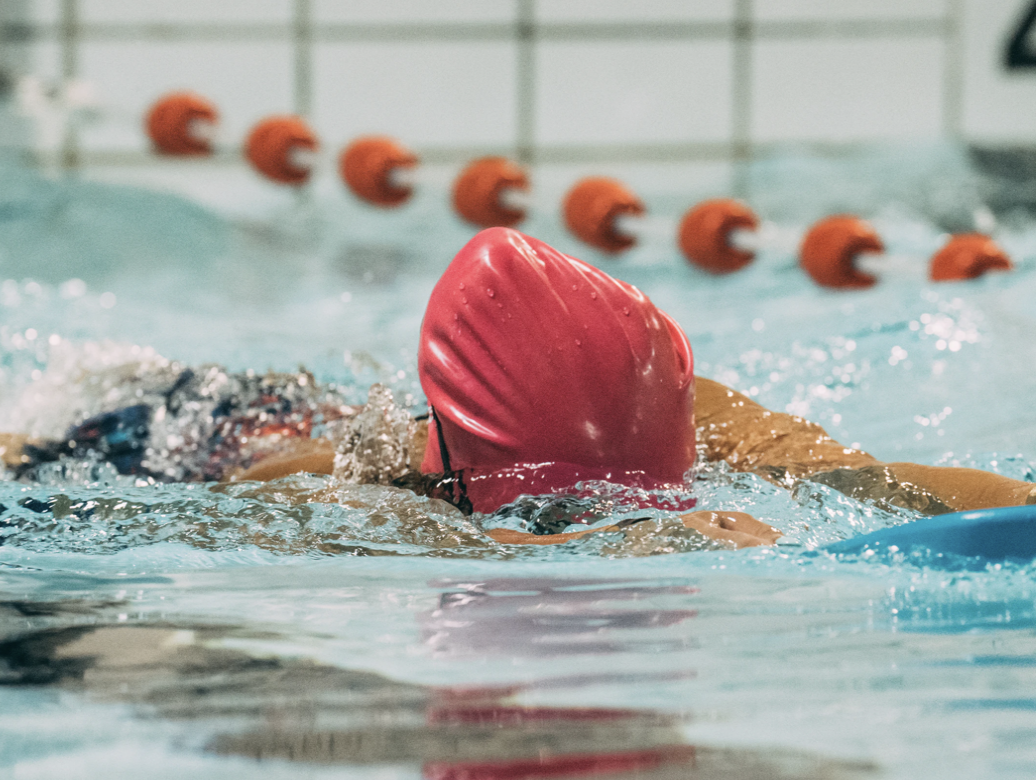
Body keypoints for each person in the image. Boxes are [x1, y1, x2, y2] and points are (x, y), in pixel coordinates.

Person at [4, 228, 1034, 550]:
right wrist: (619, 537)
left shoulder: (699, 414)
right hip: (160, 431)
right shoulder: (338, 486)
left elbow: (887, 483)